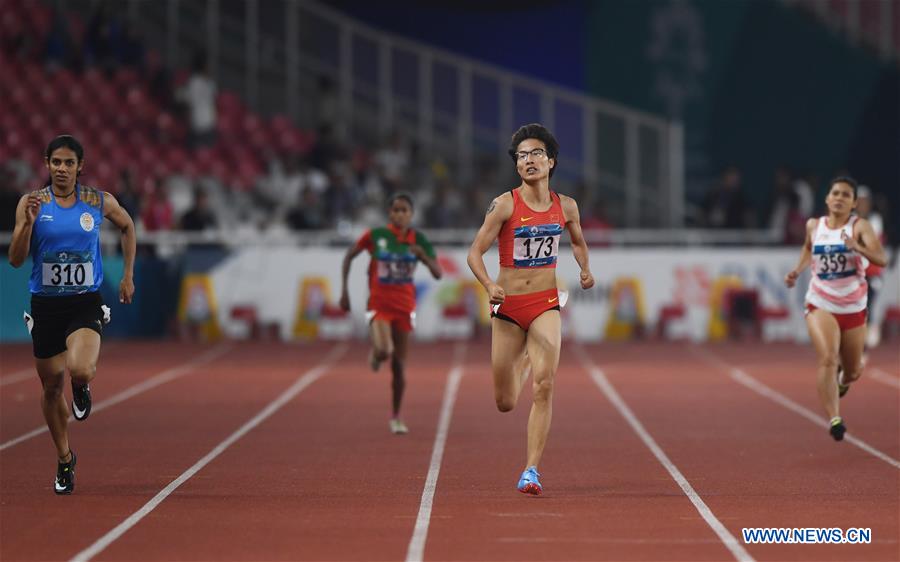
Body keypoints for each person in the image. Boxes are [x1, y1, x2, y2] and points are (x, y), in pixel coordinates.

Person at [467, 123, 594, 495]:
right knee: (505, 402)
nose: (528, 160)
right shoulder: (504, 204)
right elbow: (474, 253)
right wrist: (489, 285)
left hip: (545, 303)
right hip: (508, 307)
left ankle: (531, 470)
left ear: (551, 161)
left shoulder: (566, 206)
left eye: (536, 153)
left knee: (545, 385)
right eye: (521, 156)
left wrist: (585, 268)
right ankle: (523, 359)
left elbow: (578, 241)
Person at [8, 135, 136, 494]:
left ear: (80, 167)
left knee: (80, 368)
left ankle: (81, 387)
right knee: (51, 388)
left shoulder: (97, 200)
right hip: (46, 306)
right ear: (47, 164)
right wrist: (27, 224)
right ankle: (65, 458)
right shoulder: (31, 203)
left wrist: (127, 275)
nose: (61, 169)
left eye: (68, 163)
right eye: (56, 162)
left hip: (84, 301)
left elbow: (127, 226)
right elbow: (16, 260)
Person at [784, 176, 886, 441]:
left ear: (854, 203)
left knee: (853, 370)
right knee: (828, 358)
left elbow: (881, 259)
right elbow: (808, 248)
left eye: (846, 195)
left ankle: (843, 382)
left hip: (853, 306)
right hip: (821, 302)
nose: (839, 198)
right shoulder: (814, 225)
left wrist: (858, 247)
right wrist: (797, 271)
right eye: (836, 193)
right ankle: (834, 418)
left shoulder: (860, 227)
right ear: (827, 198)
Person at [339, 193, 442, 434]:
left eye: (404, 210)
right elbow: (349, 256)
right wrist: (344, 292)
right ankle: (377, 354)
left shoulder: (419, 240)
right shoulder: (376, 236)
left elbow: (438, 274)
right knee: (385, 350)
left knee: (399, 366)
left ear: (411, 214)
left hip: (404, 308)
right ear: (389, 213)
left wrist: (423, 257)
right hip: (379, 305)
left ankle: (396, 416)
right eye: (396, 210)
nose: (400, 214)